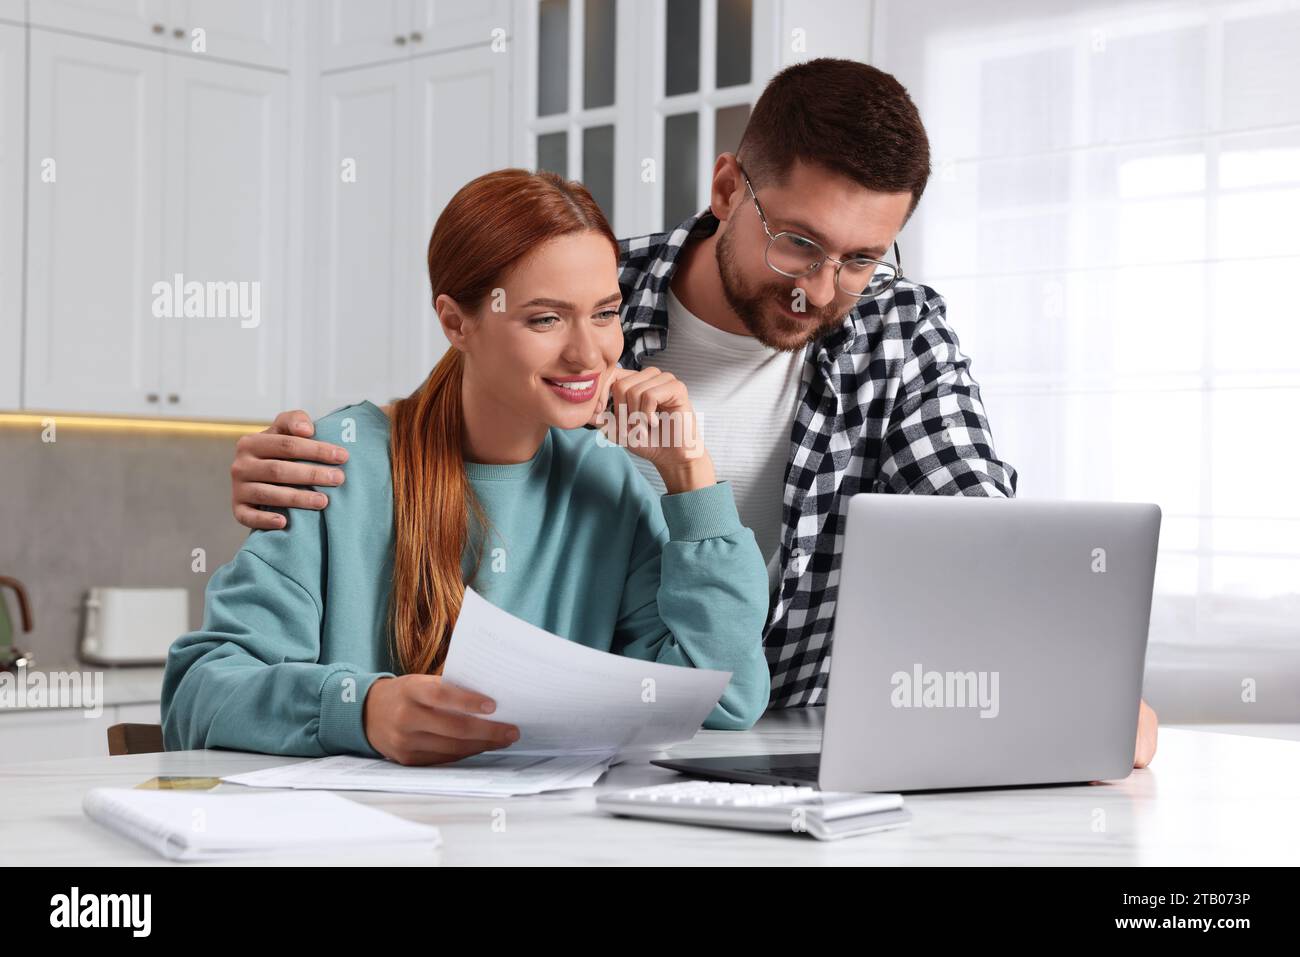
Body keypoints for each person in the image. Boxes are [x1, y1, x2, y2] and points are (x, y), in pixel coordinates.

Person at [223, 58, 1158, 767]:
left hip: (775, 732)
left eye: (865, 257)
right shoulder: (597, 280)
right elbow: (458, 422)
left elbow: (978, 538)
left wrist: (1076, 685)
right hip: (600, 749)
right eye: (799, 243)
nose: (823, 289)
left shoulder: (896, 329)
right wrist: (315, 461)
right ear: (725, 191)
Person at [162, 170, 771, 765]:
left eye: (605, 313)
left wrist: (689, 473)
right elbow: (198, 696)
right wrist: (361, 710)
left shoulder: (607, 482)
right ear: (456, 322)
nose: (589, 353)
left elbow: (721, 695)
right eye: (545, 318)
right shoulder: (335, 464)